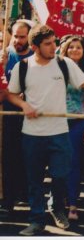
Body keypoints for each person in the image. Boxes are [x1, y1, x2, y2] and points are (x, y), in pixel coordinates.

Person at [7, 25, 84, 236]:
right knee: (34, 180)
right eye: (48, 44)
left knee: (61, 175)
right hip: (32, 135)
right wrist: (24, 105)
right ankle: (37, 220)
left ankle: (56, 206)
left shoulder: (65, 64)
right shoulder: (23, 67)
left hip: (59, 133)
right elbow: (11, 94)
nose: (54, 46)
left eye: (54, 42)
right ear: (35, 46)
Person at [59, 36, 84, 221]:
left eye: (79, 47)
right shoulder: (57, 68)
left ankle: (73, 203)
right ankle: (60, 200)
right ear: (65, 50)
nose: (75, 50)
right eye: (71, 47)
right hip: (57, 121)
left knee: (74, 161)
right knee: (58, 163)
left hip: (79, 121)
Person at [0, 20, 34, 215]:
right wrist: (2, 65)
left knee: (27, 156)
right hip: (7, 114)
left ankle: (25, 192)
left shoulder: (36, 57)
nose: (18, 40)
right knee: (8, 155)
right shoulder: (5, 55)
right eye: (15, 36)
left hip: (30, 115)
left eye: (22, 37)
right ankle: (7, 197)